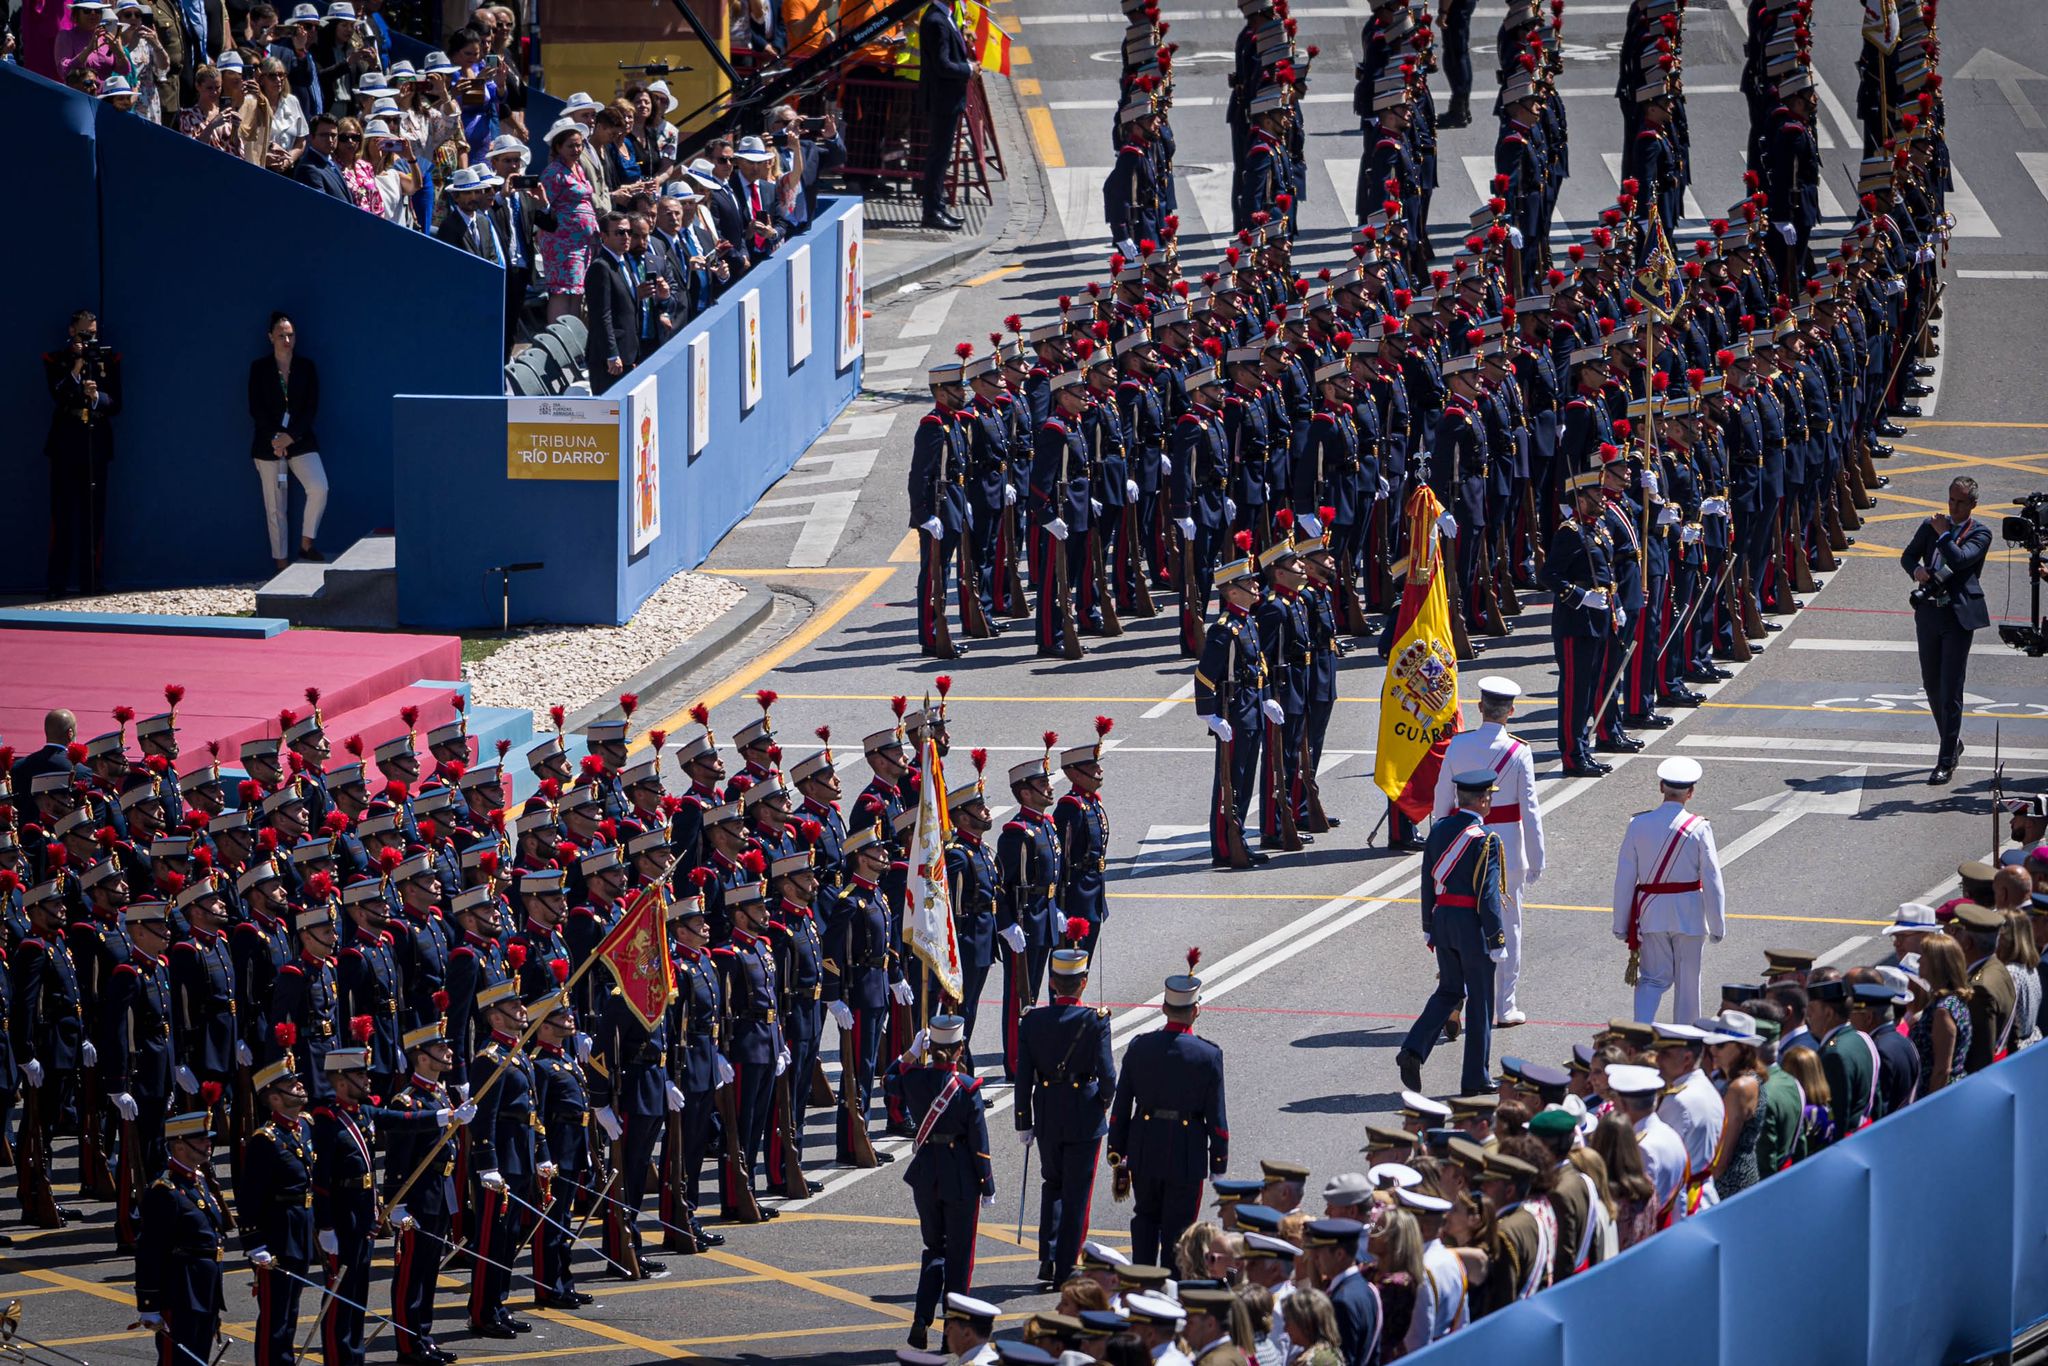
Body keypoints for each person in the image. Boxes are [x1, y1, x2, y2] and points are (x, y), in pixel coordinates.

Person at [1431, 677, 1546, 1026]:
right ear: (1511, 712)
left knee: (1463, 925)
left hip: (1462, 843)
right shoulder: (1518, 750)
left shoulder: (1458, 745)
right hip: (1506, 847)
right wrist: (1536, 857)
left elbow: (1441, 803)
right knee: (1509, 926)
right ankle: (1505, 1007)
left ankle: (1456, 997)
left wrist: (1440, 843)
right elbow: (1530, 808)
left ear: (1480, 707)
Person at [1108, 962, 1228, 1271]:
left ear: (1164, 1008)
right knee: (1180, 1229)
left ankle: (1143, 1280)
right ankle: (1172, 1290)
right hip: (1186, 1154)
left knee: (1145, 1217)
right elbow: (1216, 1116)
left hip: (1145, 1147)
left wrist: (1118, 1153)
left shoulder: (1139, 1047)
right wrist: (1218, 1162)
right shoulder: (1208, 1055)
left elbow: (1121, 1107)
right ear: (1196, 1011)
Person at [1396, 769, 1510, 1096]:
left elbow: (1426, 881)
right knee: (1480, 1002)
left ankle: (1413, 1049)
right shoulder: (1486, 839)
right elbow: (1488, 896)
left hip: (1443, 920)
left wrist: (1428, 927)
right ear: (1484, 799)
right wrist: (1496, 939)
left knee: (1448, 991)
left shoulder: (1440, 829)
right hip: (1472, 927)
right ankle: (1475, 1077)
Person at [1015, 939, 1115, 1290]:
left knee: (1052, 1185)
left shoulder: (1032, 1021)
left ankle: (1048, 1255)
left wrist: (1024, 1121)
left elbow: (1023, 1076)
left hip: (1046, 1113)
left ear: (1053, 983)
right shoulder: (1095, 1021)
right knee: (1077, 1194)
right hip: (1084, 1114)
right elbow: (1108, 1075)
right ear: (1083, 981)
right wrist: (1103, 1100)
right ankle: (1065, 1268)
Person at [900, 1016, 995, 1351]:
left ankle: (920, 1319)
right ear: (960, 1049)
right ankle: (950, 1334)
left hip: (927, 1175)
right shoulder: (967, 1088)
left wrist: (911, 1054)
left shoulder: (915, 1080)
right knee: (959, 1258)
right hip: (960, 1180)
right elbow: (979, 1144)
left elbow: (889, 1079)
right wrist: (987, 1186)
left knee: (934, 1251)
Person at [1612, 758, 1725, 1024]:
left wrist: (1620, 924)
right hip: (1690, 914)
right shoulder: (1699, 828)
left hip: (1651, 912)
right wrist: (1717, 924)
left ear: (1661, 786)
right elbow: (1712, 878)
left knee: (1652, 979)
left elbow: (1625, 877)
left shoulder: (1638, 824)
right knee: (1688, 986)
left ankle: (1640, 1032)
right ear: (1691, 792)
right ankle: (1684, 1042)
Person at [1901, 477, 1994, 784]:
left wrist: (1944, 536)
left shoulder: (1979, 533)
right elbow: (1908, 555)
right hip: (1929, 612)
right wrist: (1918, 570)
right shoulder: (1932, 526)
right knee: (1931, 684)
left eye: (1960, 503)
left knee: (1951, 688)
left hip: (1957, 616)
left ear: (1972, 505)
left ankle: (1945, 760)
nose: (1953, 508)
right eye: (1951, 500)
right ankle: (1952, 742)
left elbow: (1961, 559)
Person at [43, 309, 121, 598]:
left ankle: (91, 581)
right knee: (62, 515)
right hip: (65, 444)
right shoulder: (56, 360)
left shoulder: (108, 360)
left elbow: (116, 403)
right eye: (83, 333)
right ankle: (56, 583)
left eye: (93, 333)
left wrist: (96, 397)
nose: (89, 339)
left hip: (95, 443)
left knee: (93, 515)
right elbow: (57, 394)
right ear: (72, 331)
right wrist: (75, 368)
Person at [247, 310, 329, 571]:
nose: (286, 340)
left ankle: (306, 544)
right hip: (268, 446)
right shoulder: (259, 369)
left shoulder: (306, 367)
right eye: (281, 335)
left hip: (300, 440)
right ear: (270, 337)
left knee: (319, 487)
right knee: (275, 508)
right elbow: (256, 408)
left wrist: (290, 436)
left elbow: (311, 407)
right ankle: (281, 566)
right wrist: (276, 439)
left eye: (290, 335)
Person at [916, 0, 973, 230]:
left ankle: (937, 206)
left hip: (948, 99)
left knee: (941, 156)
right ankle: (931, 211)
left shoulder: (944, 15)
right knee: (938, 157)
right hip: (942, 100)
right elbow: (943, 65)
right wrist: (968, 69)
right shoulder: (935, 20)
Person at [537, 120, 600, 323]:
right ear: (558, 147)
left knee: (577, 291)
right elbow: (543, 206)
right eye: (571, 145)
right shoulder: (554, 173)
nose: (576, 149)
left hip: (583, 244)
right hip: (562, 244)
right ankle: (559, 336)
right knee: (562, 291)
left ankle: (573, 337)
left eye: (579, 144)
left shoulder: (578, 169)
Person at [584, 211, 644, 393]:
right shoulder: (601, 267)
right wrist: (611, 354)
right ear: (604, 237)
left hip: (628, 351)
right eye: (619, 232)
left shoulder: (622, 263)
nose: (626, 237)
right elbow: (601, 314)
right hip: (610, 359)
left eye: (628, 232)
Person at [1912, 933, 1974, 1092]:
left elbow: (1942, 1070)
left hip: (1941, 1094)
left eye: (1923, 956)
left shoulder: (1943, 1011)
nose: (1918, 961)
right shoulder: (1949, 1000)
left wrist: (1930, 1106)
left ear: (1936, 964)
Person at [1282, 1287, 1346, 1366]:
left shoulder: (1311, 1362)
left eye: (1287, 1321)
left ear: (1305, 1322)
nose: (1285, 1329)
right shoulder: (1331, 1352)